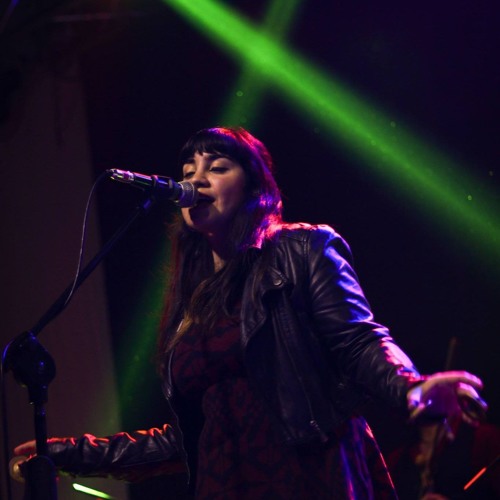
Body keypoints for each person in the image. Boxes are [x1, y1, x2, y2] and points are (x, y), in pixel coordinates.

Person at [13, 127, 488, 499]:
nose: (195, 180)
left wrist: (411, 386)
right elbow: (188, 438)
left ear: (254, 186)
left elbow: (359, 340)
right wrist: (66, 453)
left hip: (306, 476)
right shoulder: (192, 302)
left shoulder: (302, 248)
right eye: (188, 169)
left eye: (217, 167)